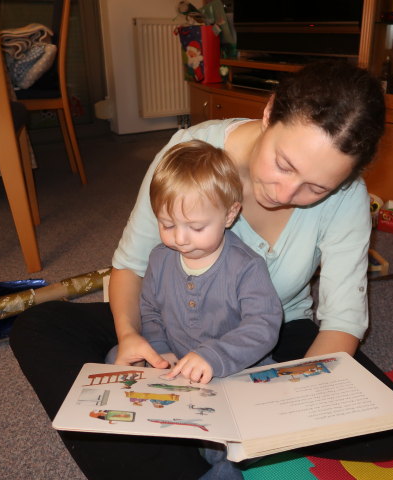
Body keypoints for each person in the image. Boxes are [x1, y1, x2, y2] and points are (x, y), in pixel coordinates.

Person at [10, 59, 393, 480]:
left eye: (317, 188)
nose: (286, 193)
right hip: (173, 318)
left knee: (392, 430)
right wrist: (131, 337)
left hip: (272, 332)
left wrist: (300, 397)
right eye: (283, 164)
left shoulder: (349, 197)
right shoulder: (190, 154)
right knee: (38, 327)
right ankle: (197, 451)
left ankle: (178, 442)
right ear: (269, 112)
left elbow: (341, 321)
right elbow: (130, 267)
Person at [107, 139, 282, 478]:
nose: (180, 239)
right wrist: (159, 351)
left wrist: (214, 357)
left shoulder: (246, 266)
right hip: (179, 366)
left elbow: (264, 326)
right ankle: (176, 434)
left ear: (230, 214)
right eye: (167, 224)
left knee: (237, 444)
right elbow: (151, 310)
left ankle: (218, 461)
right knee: (116, 355)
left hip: (236, 371)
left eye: (196, 227)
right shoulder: (160, 258)